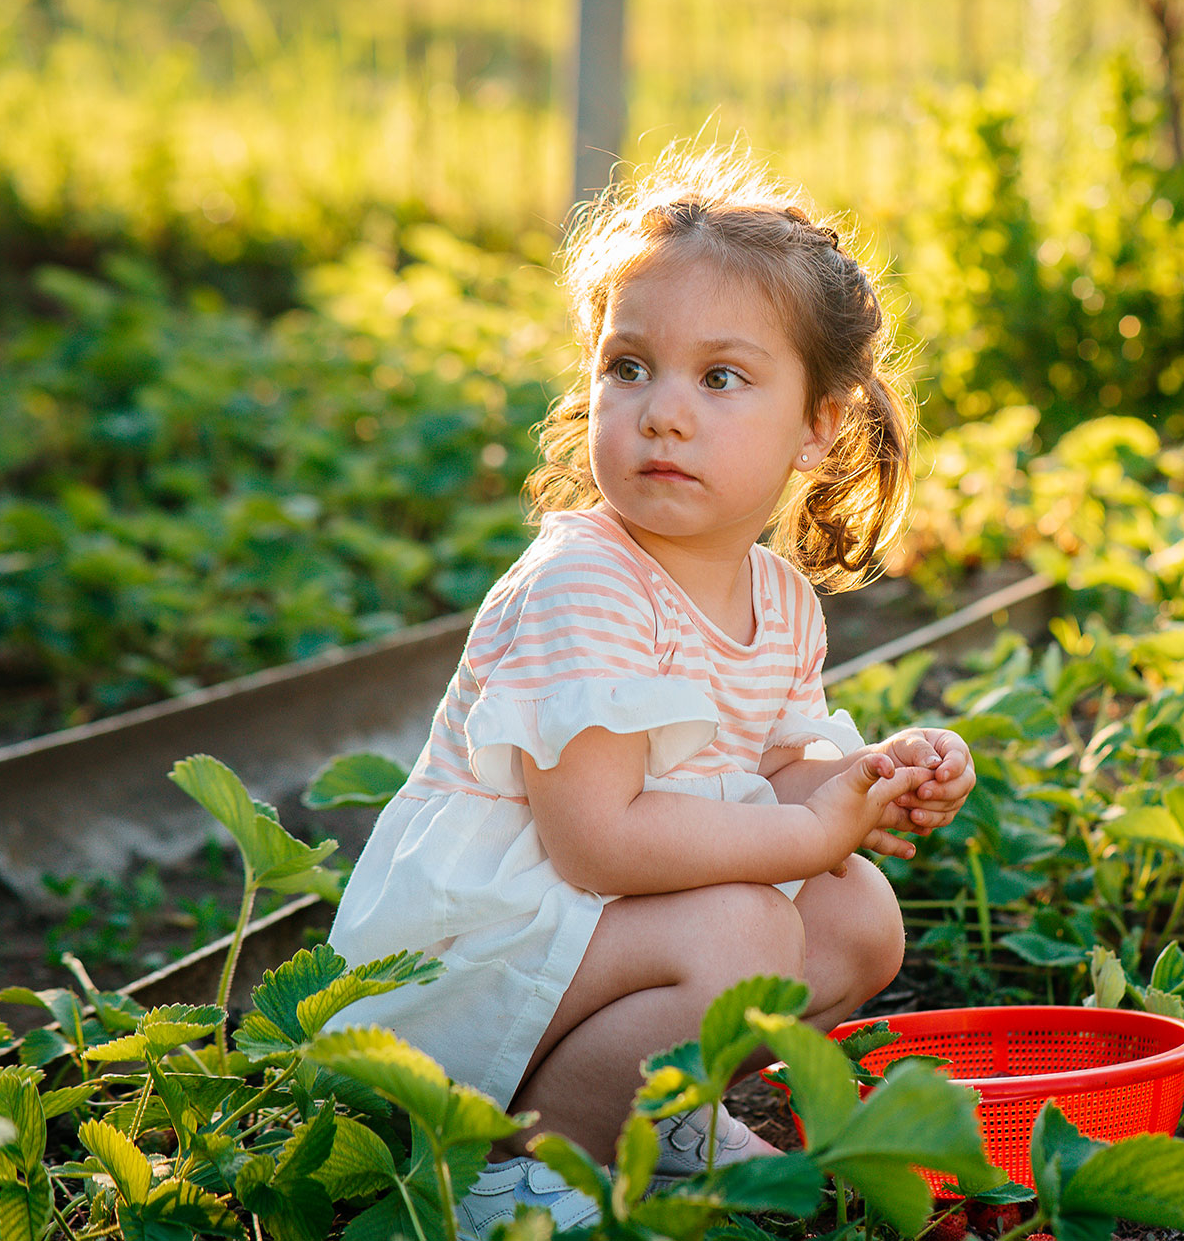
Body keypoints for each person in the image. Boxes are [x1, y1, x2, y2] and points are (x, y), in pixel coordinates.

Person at [323, 146, 976, 1239]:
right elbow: (597, 844)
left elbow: (778, 770)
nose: (663, 413)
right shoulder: (584, 582)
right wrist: (809, 831)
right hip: (454, 979)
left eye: (720, 379)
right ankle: (522, 1175)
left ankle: (651, 1117)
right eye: (629, 367)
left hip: (575, 951)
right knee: (742, 935)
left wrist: (866, 781)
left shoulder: (778, 599)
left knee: (857, 917)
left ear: (817, 426)